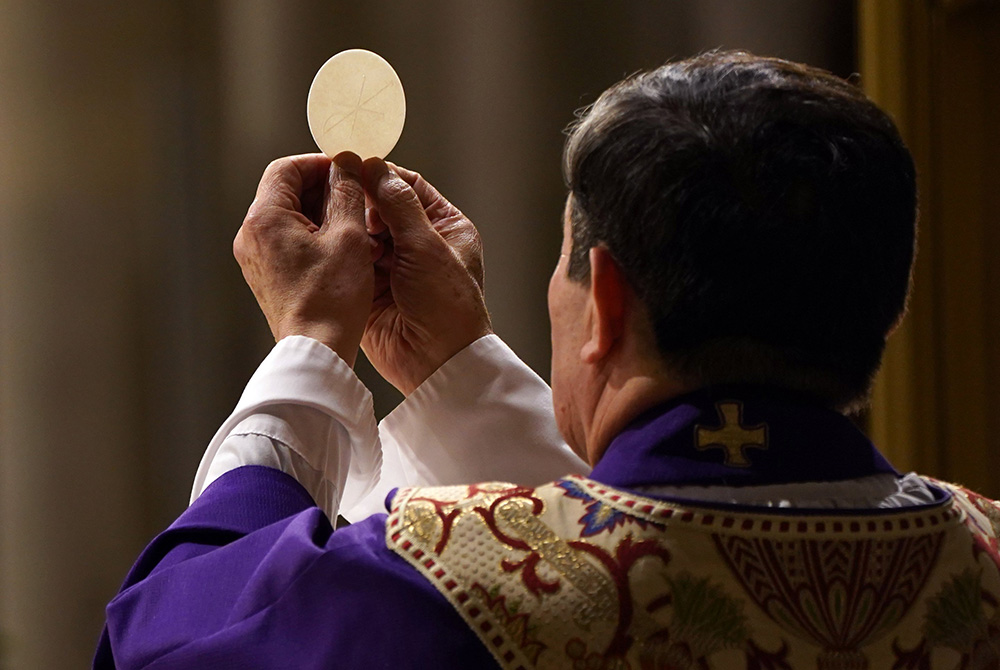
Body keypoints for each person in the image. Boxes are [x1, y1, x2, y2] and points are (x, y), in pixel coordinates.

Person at [95, 51, 1000, 669]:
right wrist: (458, 375)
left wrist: (307, 347)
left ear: (601, 297)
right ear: (892, 308)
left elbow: (165, 641)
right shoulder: (986, 564)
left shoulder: (439, 590)